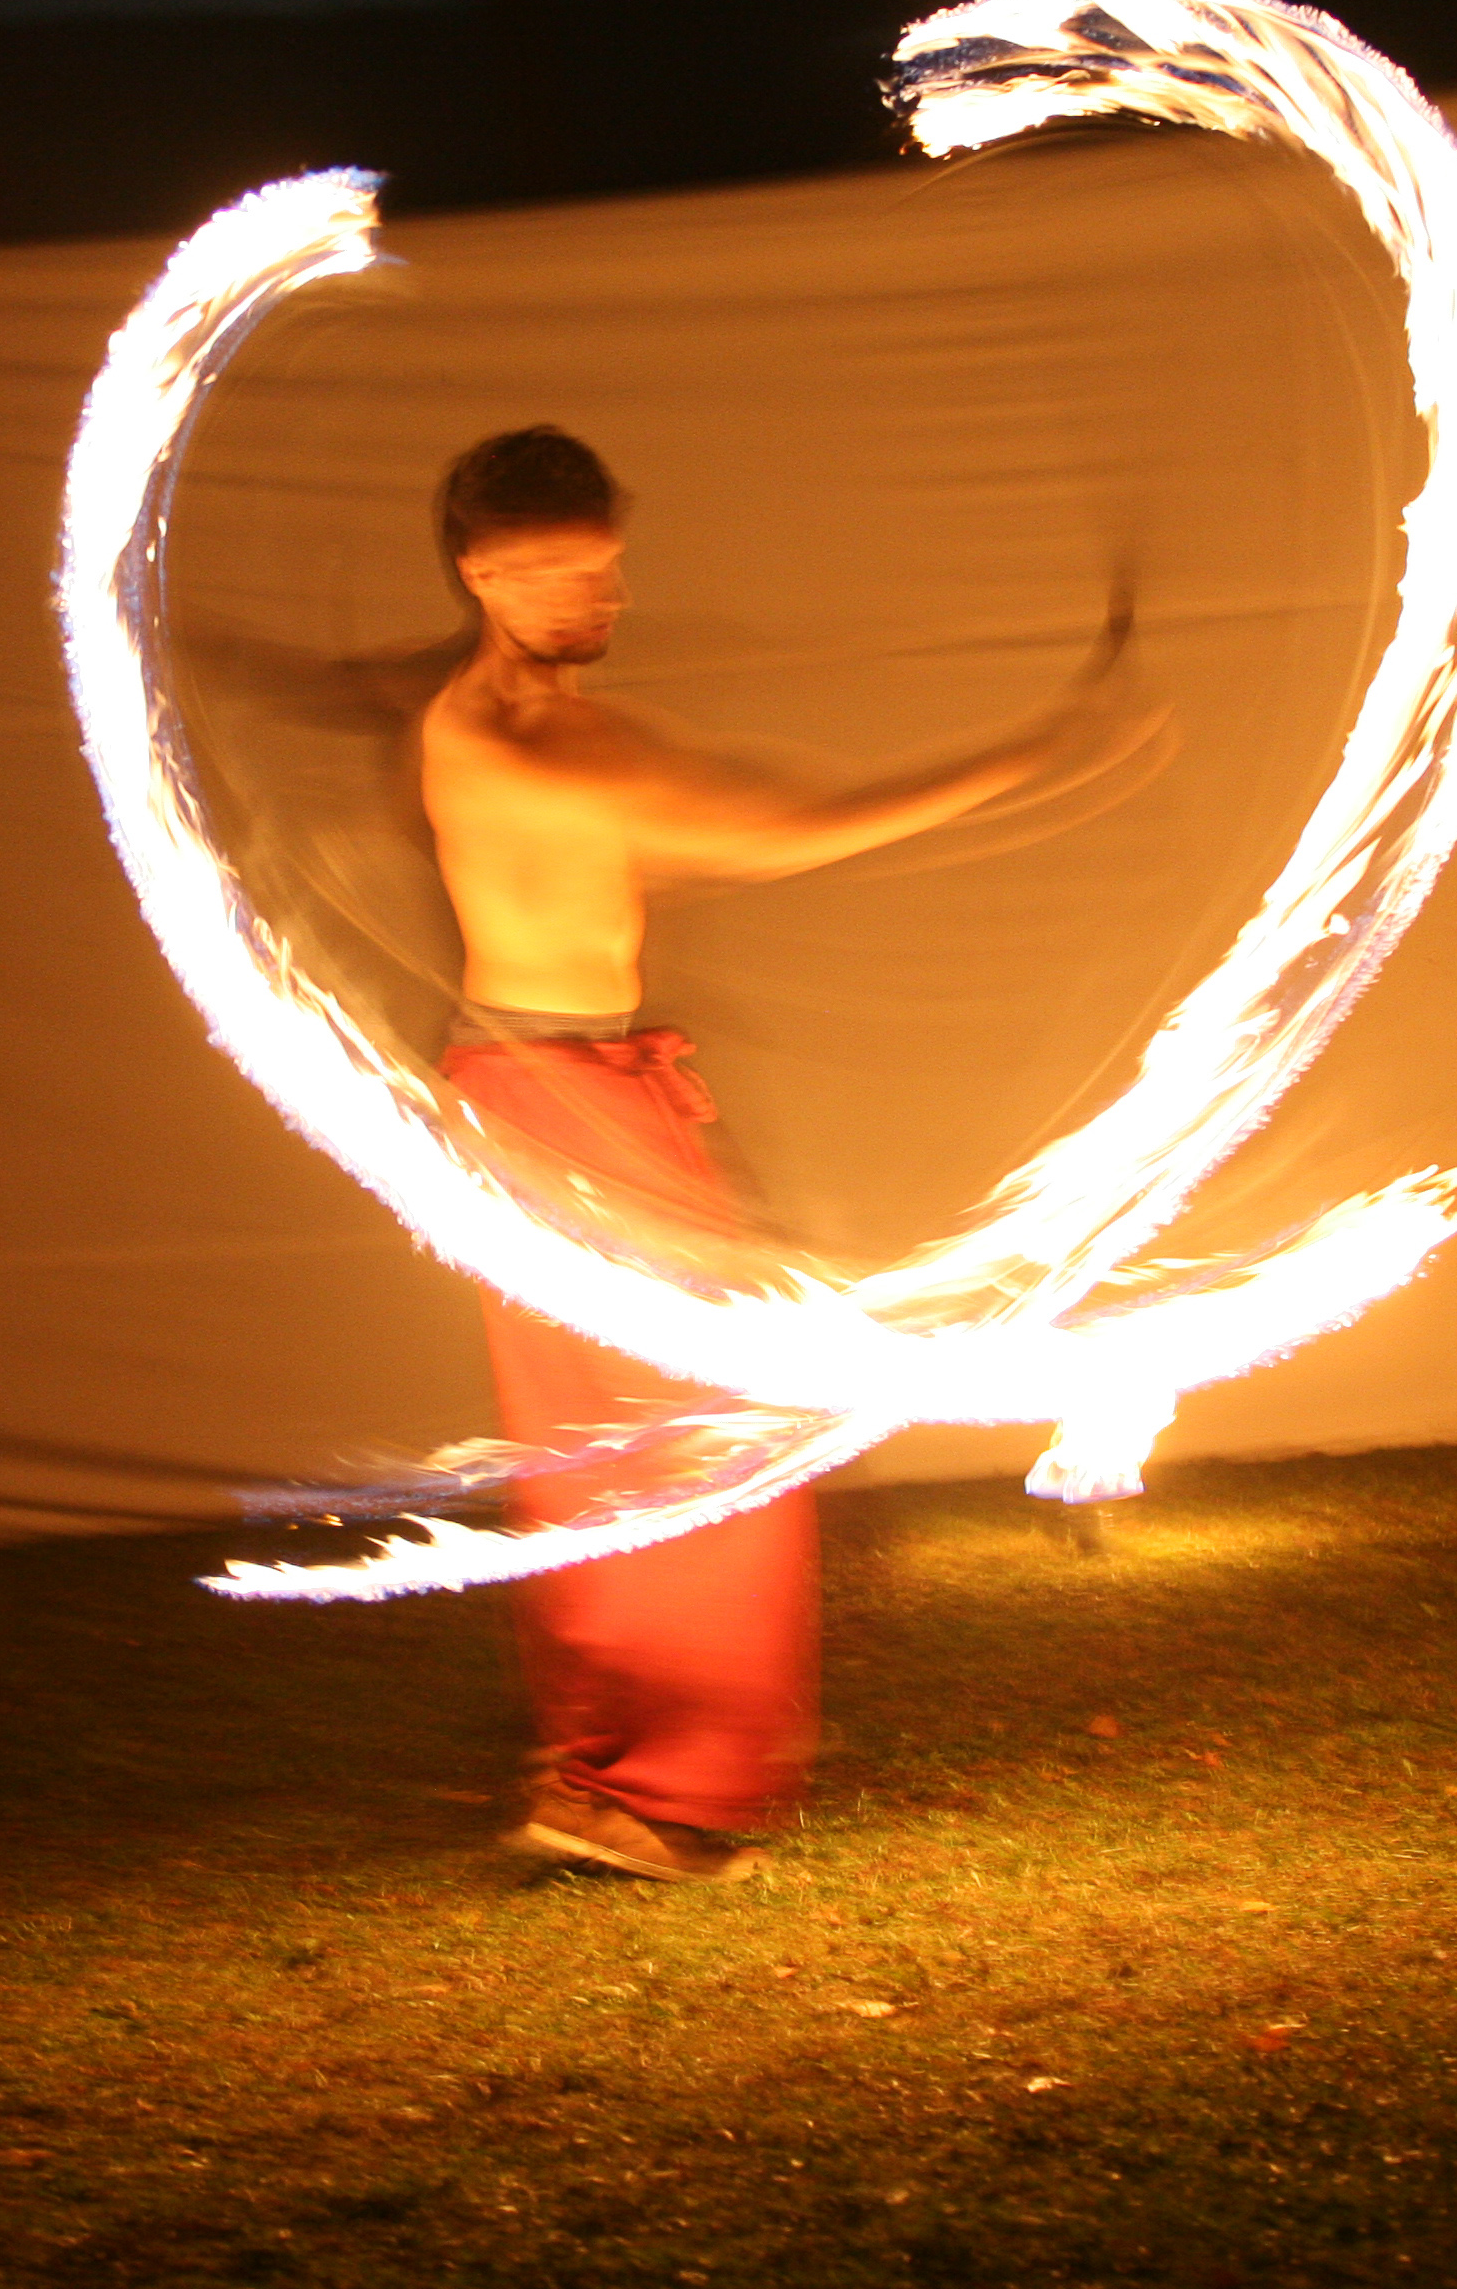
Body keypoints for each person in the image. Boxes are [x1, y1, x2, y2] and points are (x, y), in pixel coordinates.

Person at [416, 426, 1161, 1882]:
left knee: (638, 1441)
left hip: (560, 1088)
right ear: (478, 574)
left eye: (602, 567)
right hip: (558, 1107)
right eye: (550, 572)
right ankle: (628, 1785)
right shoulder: (541, 740)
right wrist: (1031, 756)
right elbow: (784, 825)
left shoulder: (499, 709)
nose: (591, 598)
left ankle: (599, 1764)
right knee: (697, 1442)